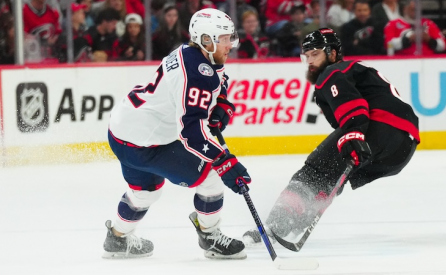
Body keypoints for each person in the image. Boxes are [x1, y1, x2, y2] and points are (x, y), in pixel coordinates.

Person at [243, 28, 419, 245]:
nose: (309, 61)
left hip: (378, 126)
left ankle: (275, 225)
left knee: (314, 171)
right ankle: (298, 218)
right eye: (306, 56)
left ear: (333, 53)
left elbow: (355, 109)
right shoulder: (353, 70)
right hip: (402, 148)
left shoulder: (332, 72)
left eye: (315, 54)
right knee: (330, 174)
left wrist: (353, 134)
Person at [102, 8, 252, 260]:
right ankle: (210, 236)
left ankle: (117, 238)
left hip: (121, 131)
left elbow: (217, 77)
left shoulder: (191, 51)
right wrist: (224, 161)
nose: (230, 44)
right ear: (206, 39)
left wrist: (222, 101)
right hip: (148, 143)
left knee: (145, 191)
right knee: (213, 176)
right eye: (224, 38)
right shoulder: (195, 74)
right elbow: (192, 134)